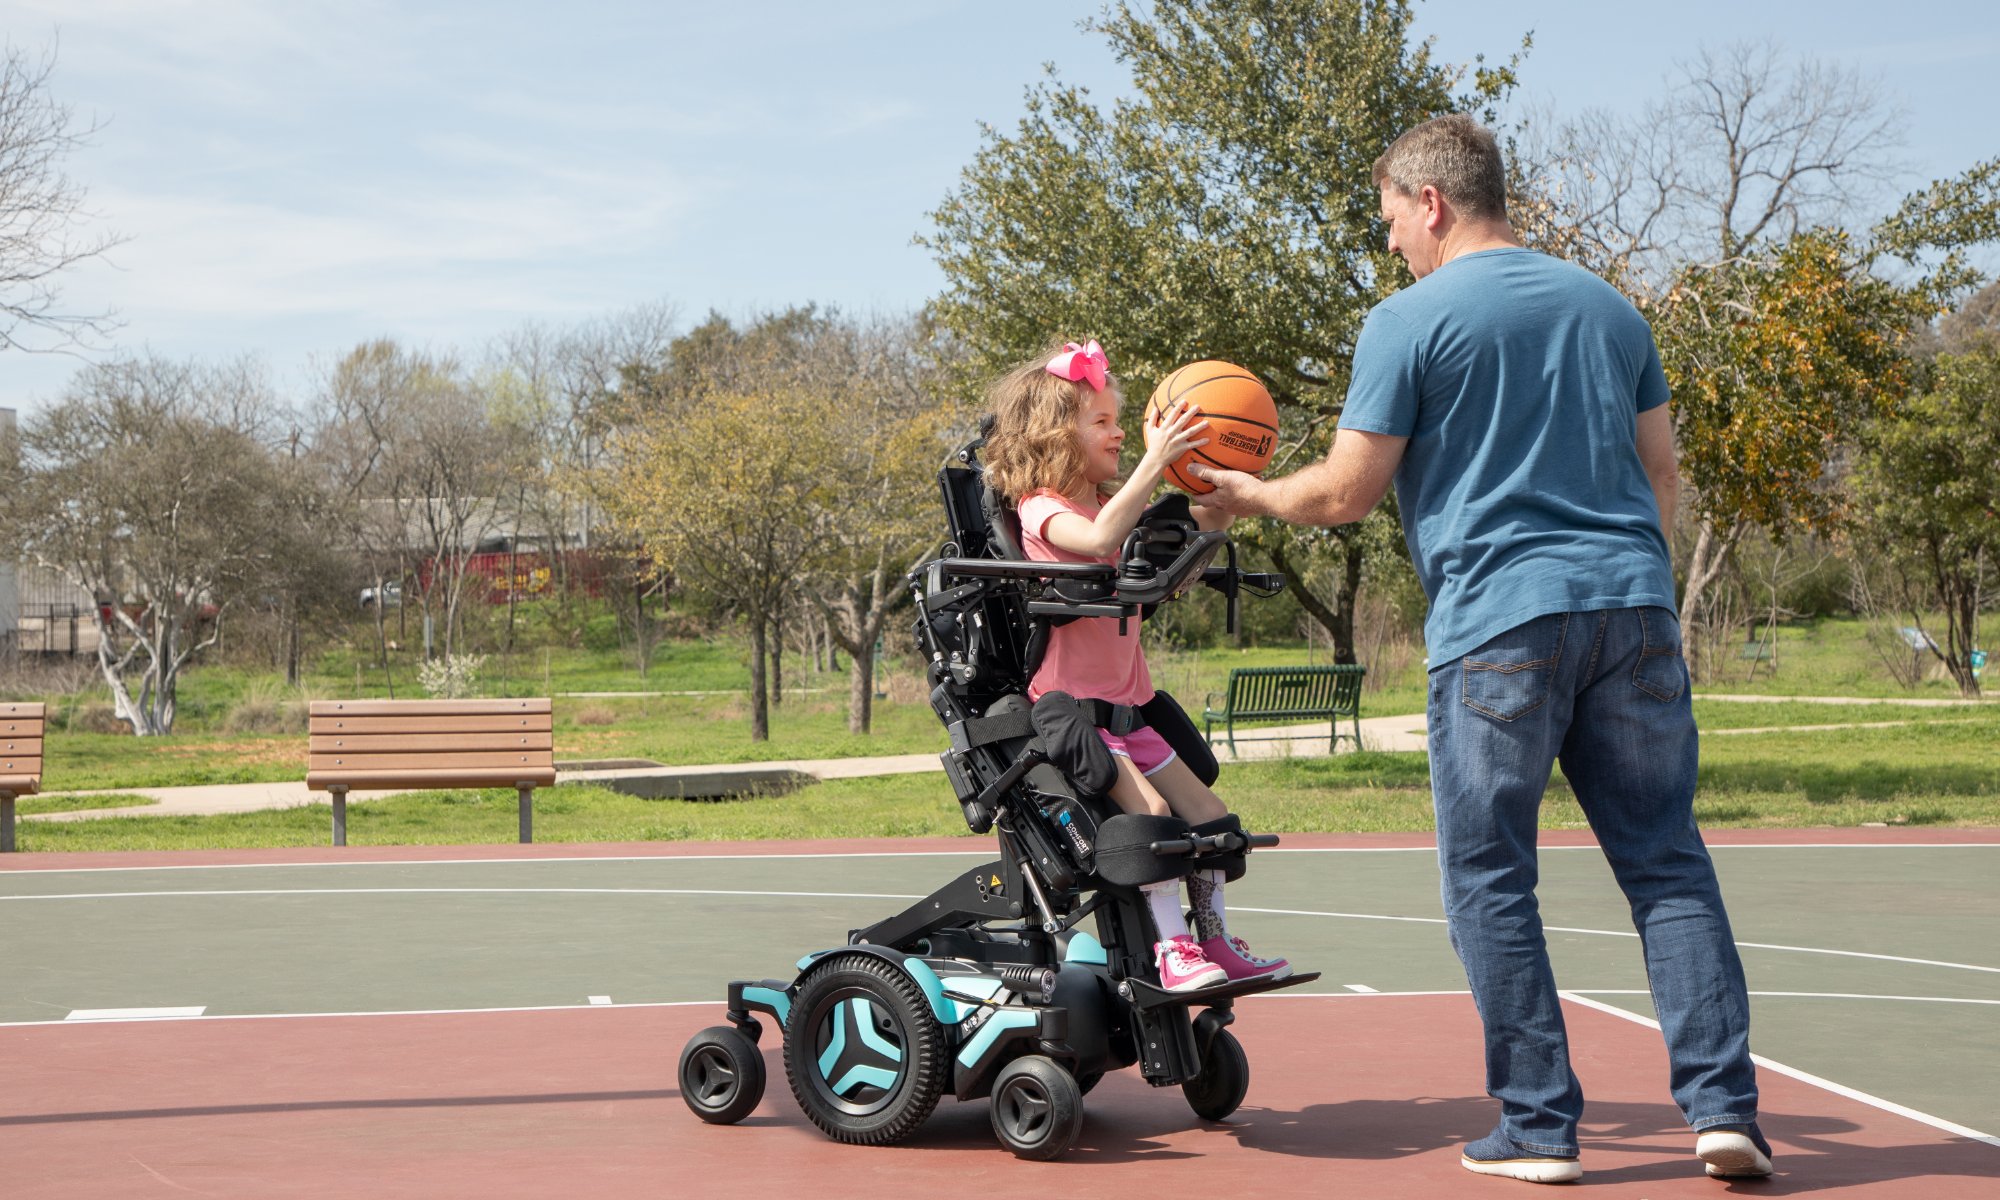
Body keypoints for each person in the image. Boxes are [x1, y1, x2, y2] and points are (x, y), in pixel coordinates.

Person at [1189, 114, 1770, 1184]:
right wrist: (1627, 577)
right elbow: (1659, 477)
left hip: (1501, 622)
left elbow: (1348, 492)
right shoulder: (1610, 310)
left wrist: (1251, 494)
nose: (1391, 246)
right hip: (1633, 610)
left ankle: (1538, 1127)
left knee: (1489, 878)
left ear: (1431, 204)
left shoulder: (1405, 322)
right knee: (1666, 864)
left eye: (1390, 224)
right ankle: (1723, 1112)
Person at [981, 338, 1292, 993]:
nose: (1121, 431)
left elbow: (1171, 557)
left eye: (1119, 419)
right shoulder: (1043, 509)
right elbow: (1095, 544)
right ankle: (1172, 950)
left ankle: (1213, 941)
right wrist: (1157, 461)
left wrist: (1222, 491)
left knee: (1208, 819)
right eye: (1102, 420)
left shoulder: (1108, 506)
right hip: (1078, 713)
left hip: (1131, 710)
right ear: (1053, 434)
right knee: (1150, 815)